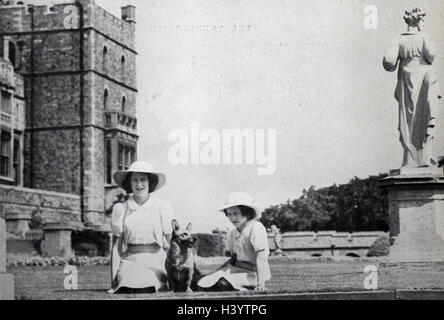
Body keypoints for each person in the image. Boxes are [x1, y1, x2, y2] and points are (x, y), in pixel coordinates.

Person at [383, 8, 440, 168]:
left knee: (408, 120)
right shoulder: (424, 37)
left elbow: (389, 63)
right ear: (419, 21)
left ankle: (413, 159)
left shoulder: (398, 39)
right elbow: (431, 55)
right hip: (423, 79)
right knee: (423, 117)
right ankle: (420, 158)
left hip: (407, 81)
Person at [108, 161, 174, 294]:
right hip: (130, 262)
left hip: (156, 262)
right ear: (129, 183)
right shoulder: (121, 208)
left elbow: (171, 246)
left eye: (143, 180)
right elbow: (116, 248)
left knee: (149, 284)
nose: (139, 185)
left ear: (150, 183)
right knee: (128, 284)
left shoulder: (162, 207)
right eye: (135, 180)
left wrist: (173, 278)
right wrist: (114, 280)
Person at [197, 192, 271, 291]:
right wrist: (216, 273)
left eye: (236, 213)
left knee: (223, 284)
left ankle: (245, 289)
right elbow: (233, 259)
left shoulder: (256, 228)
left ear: (247, 213)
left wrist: (260, 284)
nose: (232, 218)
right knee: (201, 283)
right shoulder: (233, 232)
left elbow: (261, 257)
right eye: (229, 214)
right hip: (235, 270)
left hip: (253, 273)